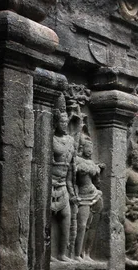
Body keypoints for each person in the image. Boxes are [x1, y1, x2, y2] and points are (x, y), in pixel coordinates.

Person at [51, 97, 76, 261]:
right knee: (50, 218)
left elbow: (71, 168)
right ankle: (49, 253)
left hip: (64, 184)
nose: (65, 124)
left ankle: (62, 253)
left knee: (66, 217)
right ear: (56, 122)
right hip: (51, 183)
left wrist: (72, 190)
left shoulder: (71, 140)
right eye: (62, 121)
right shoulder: (51, 139)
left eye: (66, 121)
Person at [73, 134, 104, 260]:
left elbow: (97, 182)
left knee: (92, 226)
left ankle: (86, 252)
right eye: (87, 147)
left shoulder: (91, 163)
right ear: (82, 147)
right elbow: (72, 178)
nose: (90, 149)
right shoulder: (77, 161)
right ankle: (76, 254)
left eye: (91, 147)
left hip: (95, 194)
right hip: (83, 196)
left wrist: (98, 171)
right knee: (81, 225)